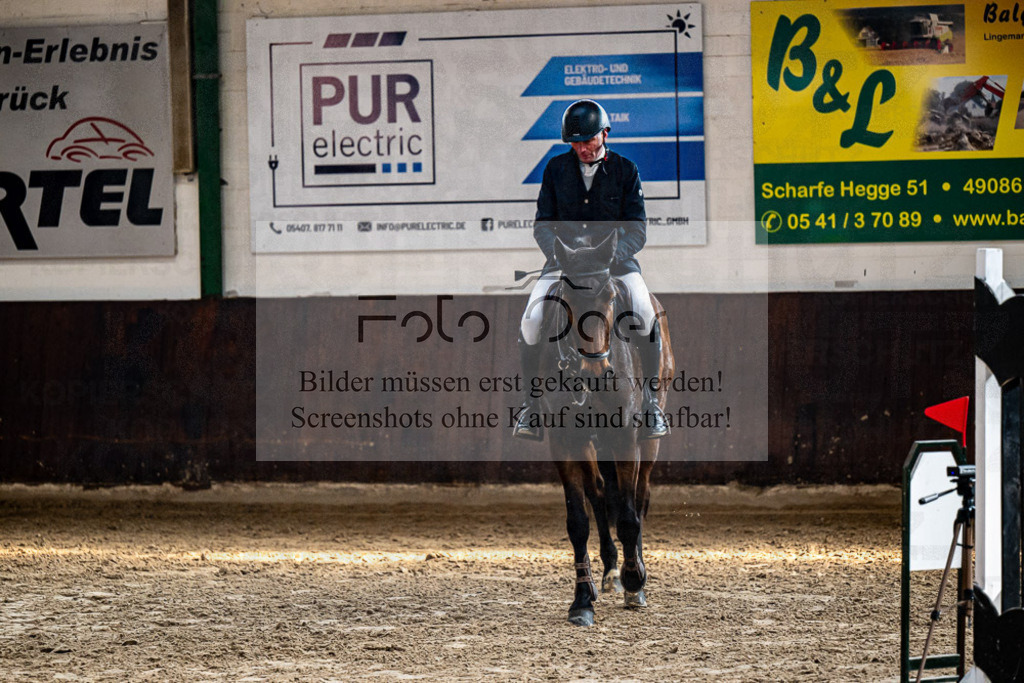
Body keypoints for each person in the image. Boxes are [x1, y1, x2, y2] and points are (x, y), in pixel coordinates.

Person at [513, 99, 669, 441]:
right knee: (531, 320)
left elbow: (638, 229)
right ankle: (532, 407)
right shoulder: (556, 169)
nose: (583, 148)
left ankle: (651, 404)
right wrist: (560, 254)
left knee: (645, 312)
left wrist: (609, 259)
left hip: (616, 264)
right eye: (577, 142)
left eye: (590, 141)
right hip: (563, 264)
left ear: (605, 134)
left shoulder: (626, 170)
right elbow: (543, 224)